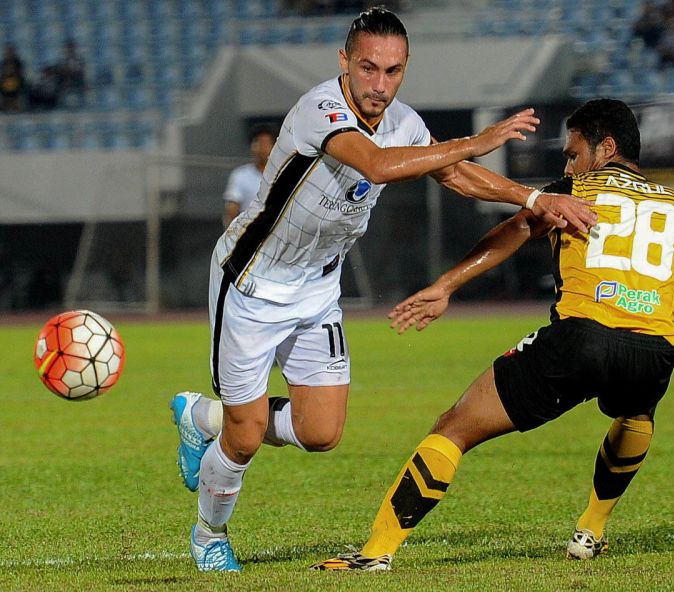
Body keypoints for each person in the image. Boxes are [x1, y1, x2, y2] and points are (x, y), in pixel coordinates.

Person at [168, 7, 596, 573]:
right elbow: (377, 165)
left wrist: (534, 200)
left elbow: (456, 176)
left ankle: (203, 415)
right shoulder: (322, 110)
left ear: (405, 68)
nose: (380, 84)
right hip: (251, 282)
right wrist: (477, 139)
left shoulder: (405, 122)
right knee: (245, 439)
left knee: (321, 432)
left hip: (317, 288)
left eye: (393, 72)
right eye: (368, 68)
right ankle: (208, 534)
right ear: (344, 61)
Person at [311, 98, 674, 571]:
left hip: (579, 339)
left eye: (572, 153)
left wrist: (445, 285)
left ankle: (376, 552)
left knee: (454, 428)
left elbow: (517, 229)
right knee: (636, 410)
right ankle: (591, 531)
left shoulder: (575, 192)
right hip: (653, 354)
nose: (568, 167)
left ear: (604, 149)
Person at [221, 124, 276, 228]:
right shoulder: (240, 175)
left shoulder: (285, 174)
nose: (262, 148)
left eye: (266, 143)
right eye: (257, 142)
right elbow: (231, 210)